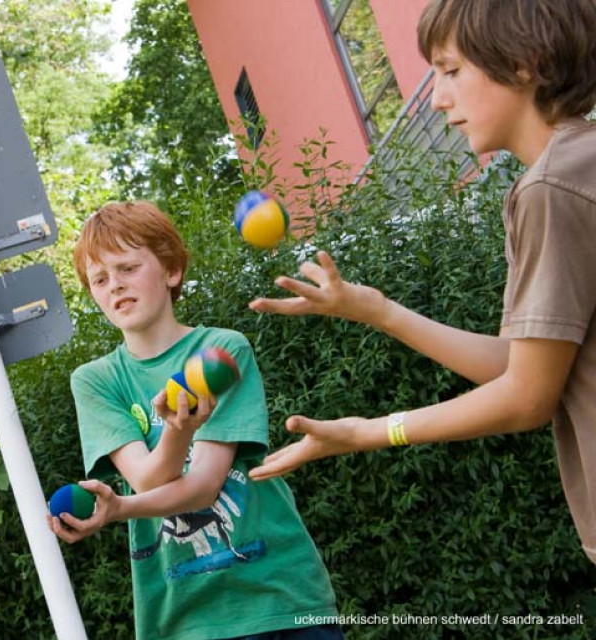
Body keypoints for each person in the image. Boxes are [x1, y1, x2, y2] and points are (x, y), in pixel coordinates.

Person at [247, 0, 596, 565]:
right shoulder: (571, 169)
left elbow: (528, 398)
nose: (436, 98)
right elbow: (522, 364)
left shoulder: (552, 188)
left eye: (451, 70)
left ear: (526, 61)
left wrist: (367, 432)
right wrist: (379, 310)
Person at [48, 201, 342, 640]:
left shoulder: (223, 349)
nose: (115, 286)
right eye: (100, 279)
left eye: (127, 268)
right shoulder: (95, 381)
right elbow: (150, 479)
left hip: (280, 601)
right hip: (182, 621)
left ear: (171, 270)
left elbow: (203, 488)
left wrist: (120, 508)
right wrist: (178, 429)